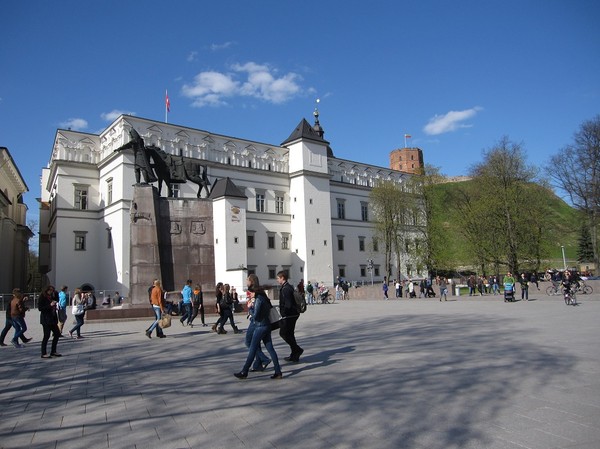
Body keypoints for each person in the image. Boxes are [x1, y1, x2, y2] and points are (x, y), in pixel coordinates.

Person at [234, 283, 282, 380]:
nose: (249, 294)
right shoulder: (264, 298)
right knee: (270, 349)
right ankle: (278, 371)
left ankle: (244, 371)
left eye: (250, 292)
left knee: (252, 348)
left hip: (260, 326)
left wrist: (250, 308)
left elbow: (255, 316)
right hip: (267, 325)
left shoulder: (258, 300)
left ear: (255, 291)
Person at [244, 274, 271, 372]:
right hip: (256, 320)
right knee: (255, 343)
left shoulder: (256, 292)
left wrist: (251, 307)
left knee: (248, 341)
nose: (246, 280)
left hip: (257, 321)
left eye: (247, 279)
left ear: (252, 281)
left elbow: (258, 307)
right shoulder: (254, 291)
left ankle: (264, 359)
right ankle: (258, 364)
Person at [277, 270, 303, 362]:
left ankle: (297, 350)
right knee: (290, 334)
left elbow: (288, 303)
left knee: (283, 333)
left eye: (278, 278)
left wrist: (283, 314)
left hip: (290, 315)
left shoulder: (286, 289)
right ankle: (294, 354)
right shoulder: (288, 287)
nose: (277, 280)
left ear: (282, 278)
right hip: (292, 314)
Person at [38, 285, 61, 358]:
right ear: (46, 290)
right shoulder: (42, 297)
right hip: (46, 319)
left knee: (57, 334)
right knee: (46, 336)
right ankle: (43, 353)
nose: (51, 291)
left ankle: (53, 351)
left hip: (53, 318)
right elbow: (40, 308)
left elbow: (57, 299)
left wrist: (55, 293)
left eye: (52, 290)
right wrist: (50, 305)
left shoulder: (51, 296)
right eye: (50, 290)